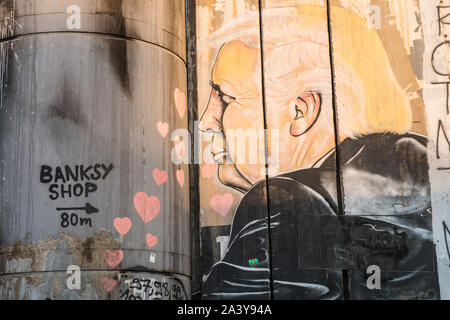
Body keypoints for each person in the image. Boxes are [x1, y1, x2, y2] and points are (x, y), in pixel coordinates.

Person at [199, 5, 440, 299]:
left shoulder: (286, 203)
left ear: (301, 111)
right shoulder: (424, 169)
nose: (206, 120)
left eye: (225, 96)